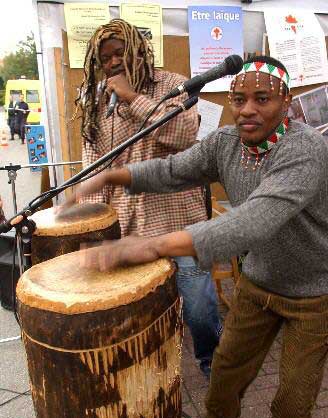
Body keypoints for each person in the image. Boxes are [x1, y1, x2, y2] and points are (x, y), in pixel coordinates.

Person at [70, 55, 328, 418]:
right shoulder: (226, 142)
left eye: (262, 99)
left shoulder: (306, 149)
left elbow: (251, 221)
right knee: (224, 377)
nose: (247, 110)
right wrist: (114, 176)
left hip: (313, 295)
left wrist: (150, 245)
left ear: (286, 101)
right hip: (258, 283)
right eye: (239, 100)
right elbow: (174, 170)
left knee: (292, 401)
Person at [74, 18, 222, 377]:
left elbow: (184, 134)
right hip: (131, 229)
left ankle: (212, 364)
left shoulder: (172, 85)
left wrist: (130, 97)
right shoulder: (95, 102)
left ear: (139, 50)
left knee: (200, 309)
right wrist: (88, 223)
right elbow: (94, 168)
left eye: (119, 53)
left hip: (181, 224)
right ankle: (155, 376)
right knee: (142, 314)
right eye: (104, 58)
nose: (112, 63)